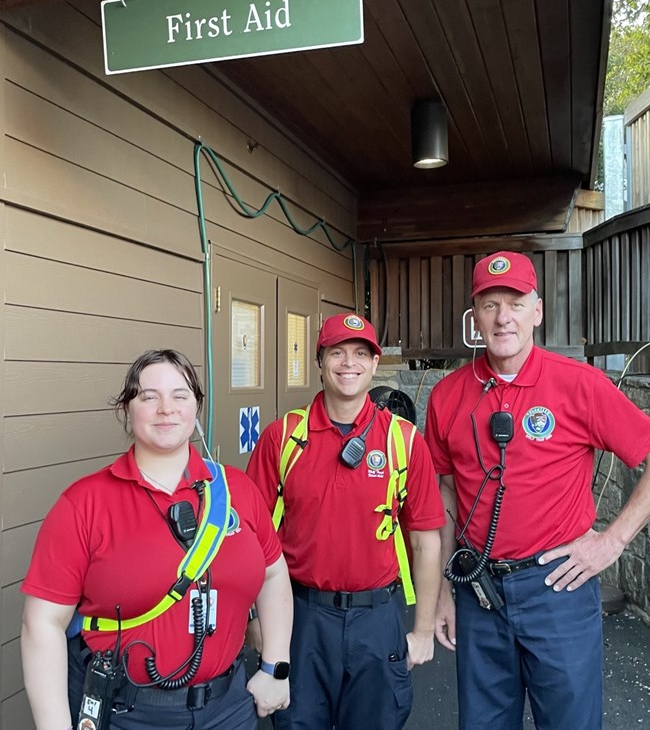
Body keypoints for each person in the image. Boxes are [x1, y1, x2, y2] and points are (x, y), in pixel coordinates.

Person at [425, 250, 650, 730]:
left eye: (516, 302)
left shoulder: (580, 385)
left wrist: (612, 542)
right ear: (475, 316)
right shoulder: (446, 397)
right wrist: (444, 592)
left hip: (558, 588)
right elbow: (446, 497)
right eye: (490, 304)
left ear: (538, 311)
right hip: (480, 592)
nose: (503, 317)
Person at [21, 349, 293, 730]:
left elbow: (274, 573)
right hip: (127, 714)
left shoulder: (236, 490)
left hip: (228, 708)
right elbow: (43, 624)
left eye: (180, 396)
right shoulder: (84, 503)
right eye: (149, 397)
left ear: (196, 408)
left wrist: (275, 666)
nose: (167, 408)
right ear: (128, 410)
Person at [246, 312, 445, 730]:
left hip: (377, 618)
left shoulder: (404, 441)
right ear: (319, 361)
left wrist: (423, 629)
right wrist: (254, 620)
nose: (348, 363)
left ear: (375, 364)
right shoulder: (282, 439)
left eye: (360, 353)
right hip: (300, 618)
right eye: (337, 352)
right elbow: (249, 539)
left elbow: (427, 541)